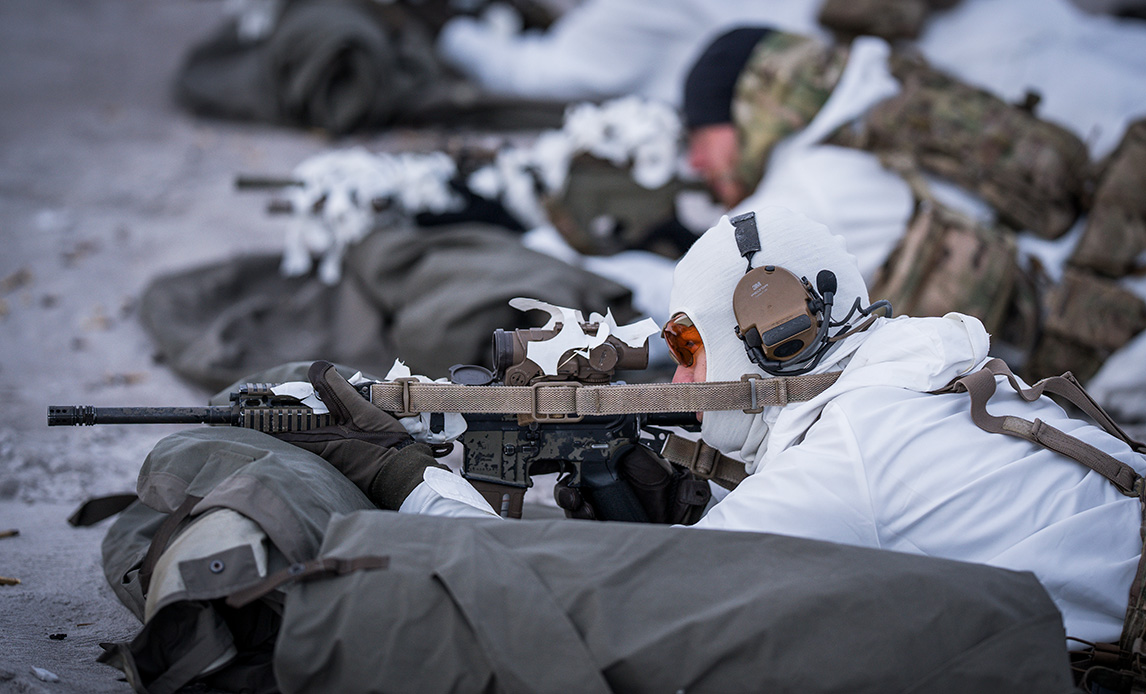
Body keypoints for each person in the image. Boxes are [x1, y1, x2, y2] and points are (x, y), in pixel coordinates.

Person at [298, 206, 1146, 650]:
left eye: (687, 347)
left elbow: (610, 609)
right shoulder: (919, 371)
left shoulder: (848, 452)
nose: (679, 380)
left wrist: (409, 479)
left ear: (775, 337)